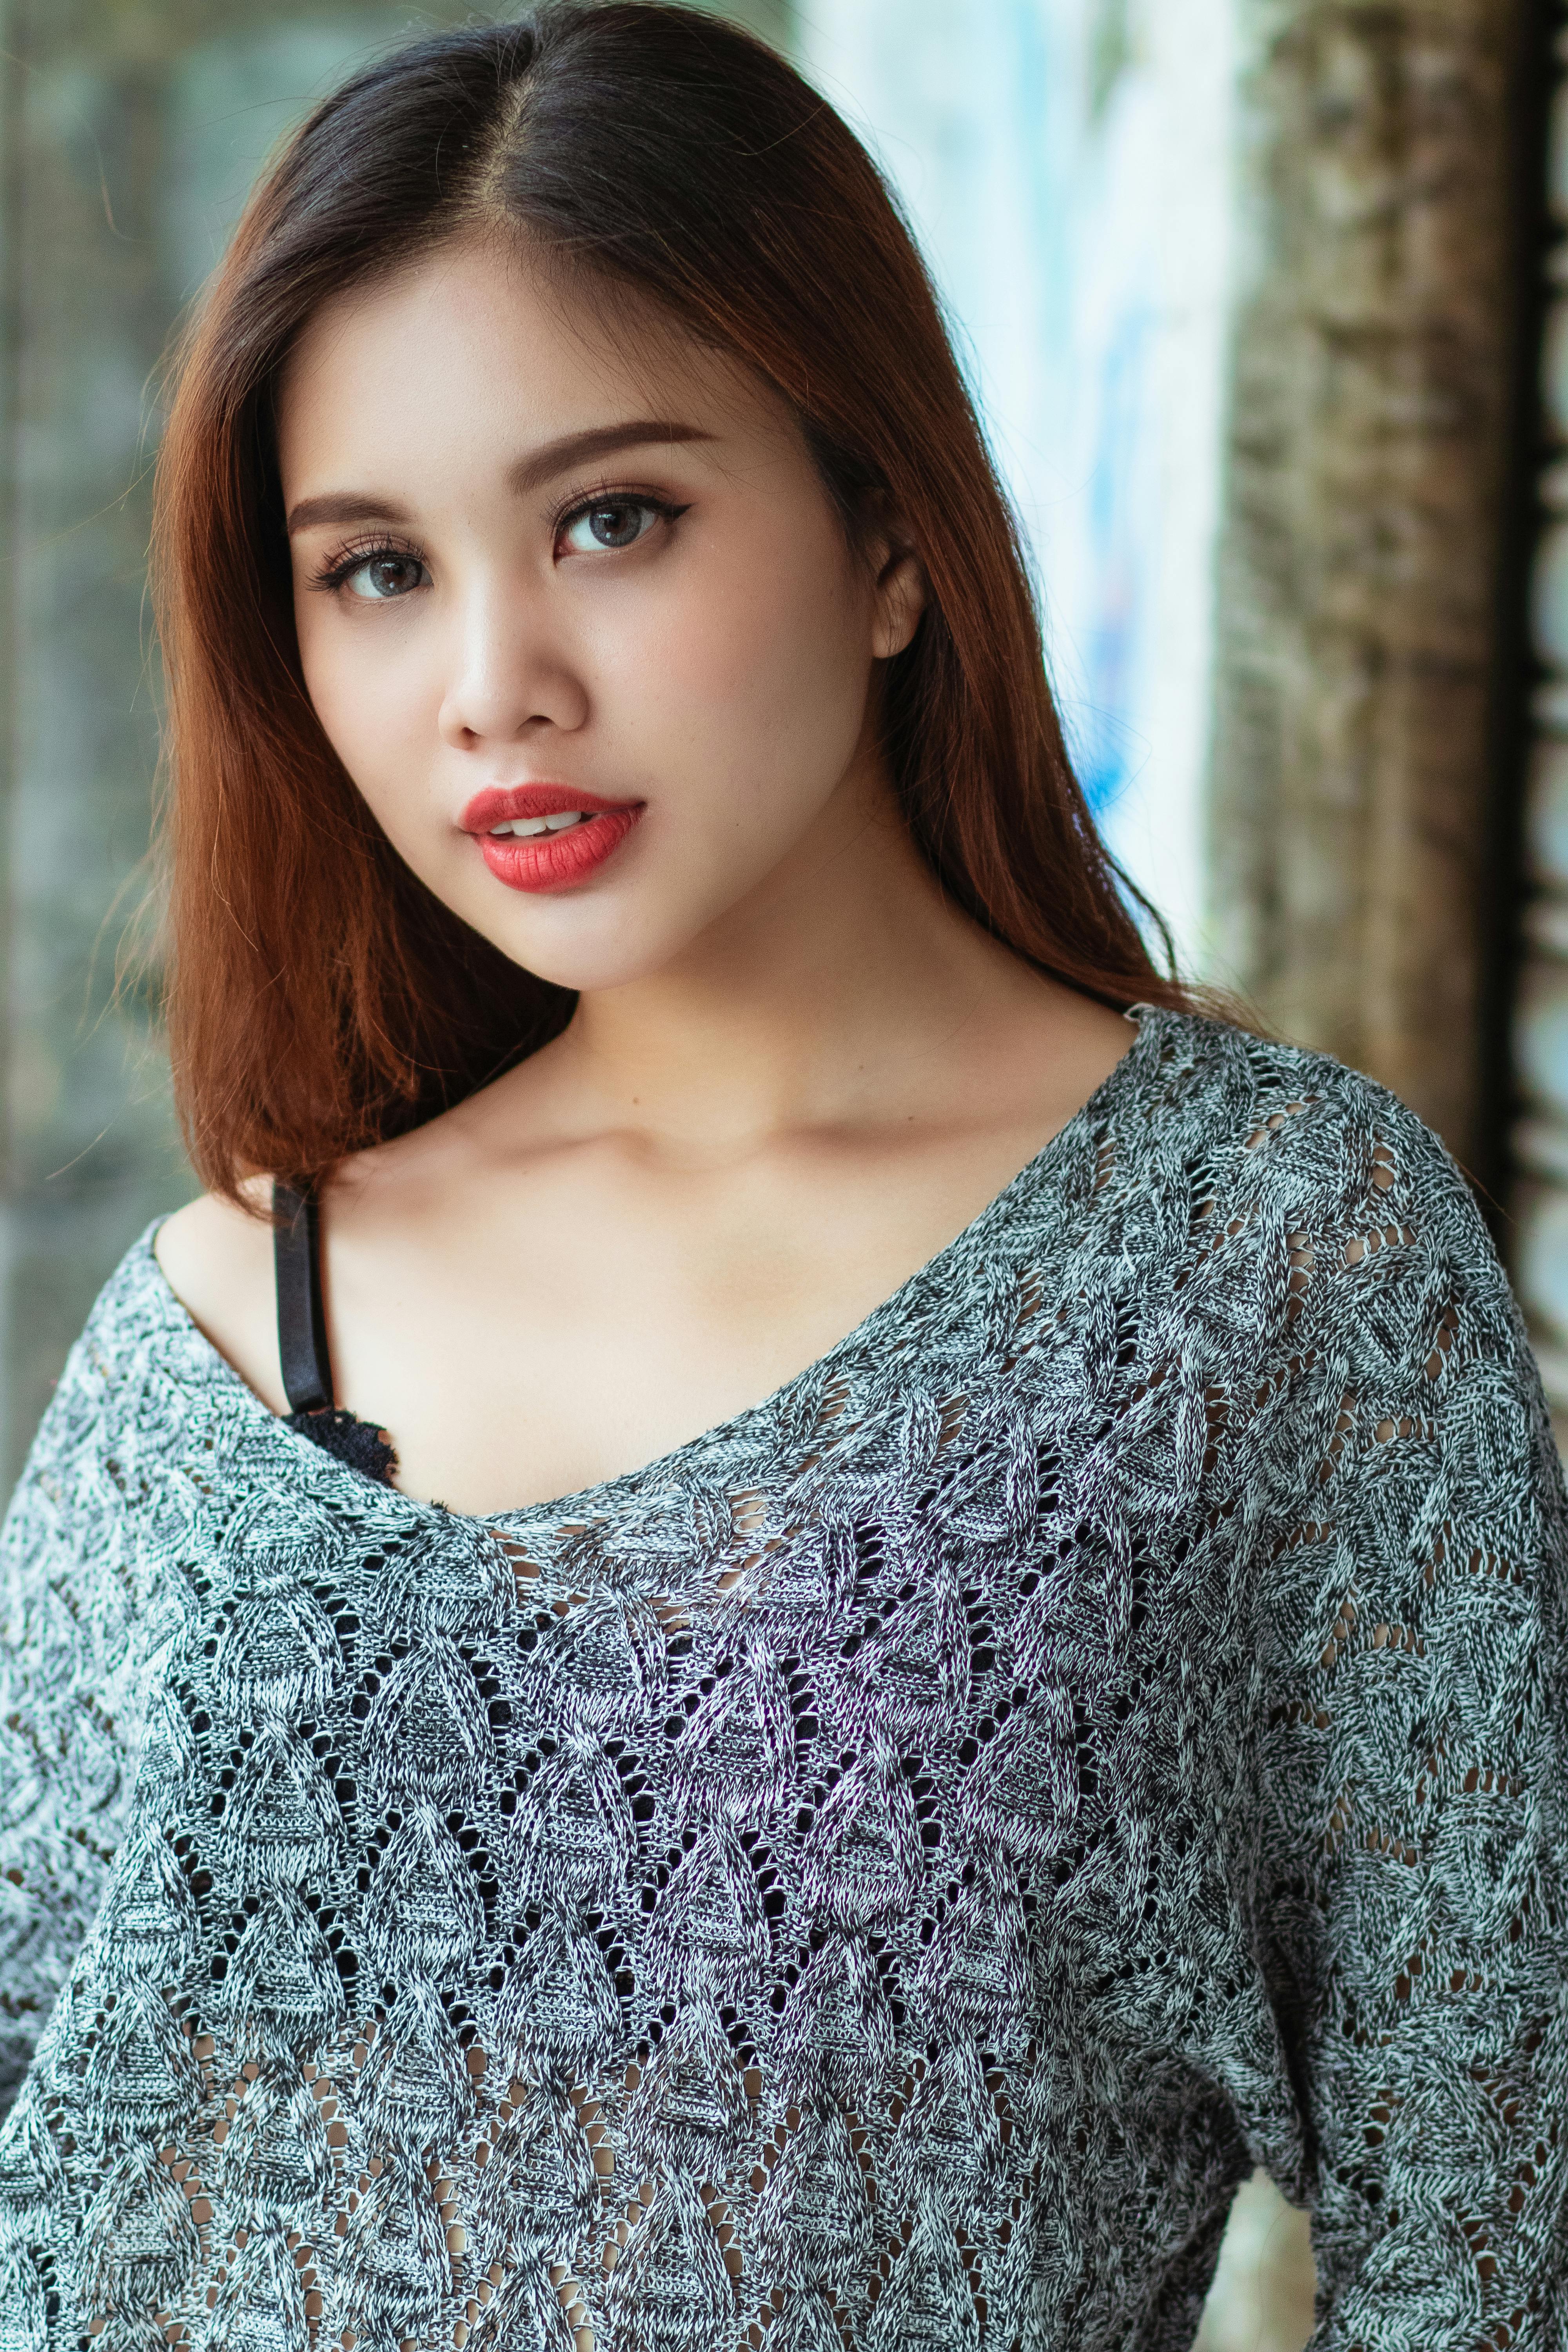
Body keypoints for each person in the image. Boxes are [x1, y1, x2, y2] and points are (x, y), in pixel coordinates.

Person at [0, 4, 1563, 2345]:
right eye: (375, 571)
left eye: (612, 519)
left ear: (893, 540)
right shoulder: (223, 1338)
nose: (493, 684)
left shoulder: (1266, 1266)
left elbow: (1488, 2230)